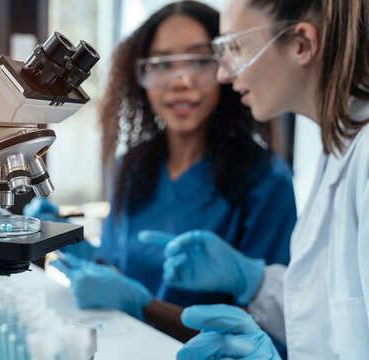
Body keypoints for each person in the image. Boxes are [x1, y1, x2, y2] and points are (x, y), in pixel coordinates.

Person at [25, 0, 296, 343]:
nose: (180, 82)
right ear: (140, 76)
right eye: (163, 64)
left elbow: (270, 323)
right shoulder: (131, 167)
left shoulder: (267, 180)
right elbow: (117, 272)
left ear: (225, 66)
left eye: (199, 61)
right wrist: (79, 249)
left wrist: (145, 305)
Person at [145, 0, 369, 358]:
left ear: (301, 45)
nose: (223, 74)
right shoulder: (338, 146)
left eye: (235, 47)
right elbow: (328, 317)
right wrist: (255, 280)